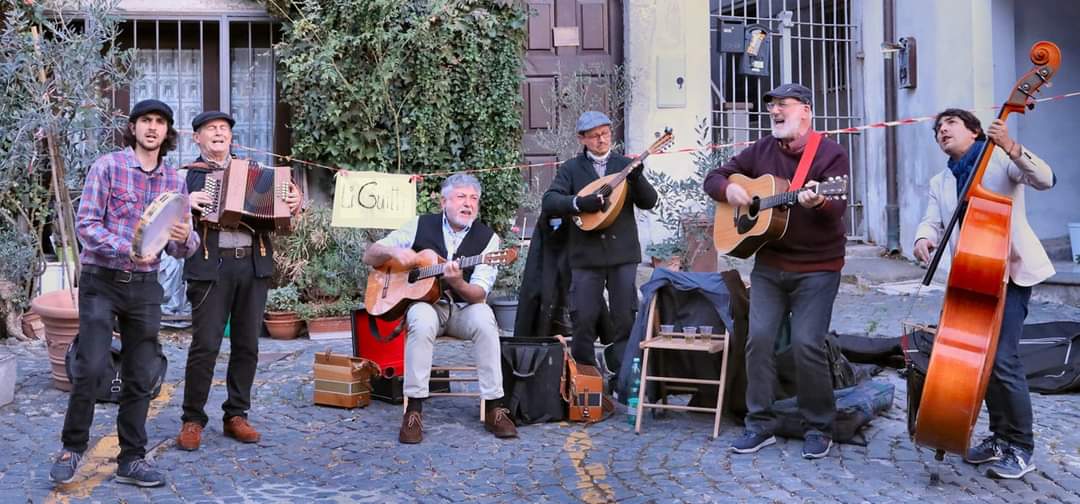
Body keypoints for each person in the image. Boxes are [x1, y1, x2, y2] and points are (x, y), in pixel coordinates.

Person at [50, 99, 199, 487]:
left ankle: (131, 460)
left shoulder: (175, 182)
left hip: (146, 287)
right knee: (91, 365)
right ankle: (72, 447)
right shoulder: (108, 166)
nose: (153, 127)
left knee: (141, 374)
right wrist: (128, 246)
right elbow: (86, 225)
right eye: (146, 121)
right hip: (102, 281)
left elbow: (179, 245)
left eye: (160, 122)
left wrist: (186, 238)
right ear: (133, 128)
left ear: (168, 132)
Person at [703, 83, 849, 459]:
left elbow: (837, 208)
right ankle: (760, 424)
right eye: (772, 106)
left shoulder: (831, 154)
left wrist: (817, 202)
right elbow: (714, 177)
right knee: (758, 340)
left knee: (806, 344)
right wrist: (731, 190)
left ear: (805, 110)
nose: (775, 111)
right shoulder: (762, 150)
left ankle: (819, 426)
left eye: (783, 105)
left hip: (818, 267)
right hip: (770, 265)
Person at [913, 108, 1055, 480]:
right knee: (979, 361)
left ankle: (1022, 447)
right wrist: (923, 237)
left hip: (1010, 273)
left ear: (975, 132)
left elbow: (1045, 179)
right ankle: (998, 437)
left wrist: (1010, 145)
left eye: (951, 124)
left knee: (1003, 360)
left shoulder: (999, 162)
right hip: (971, 277)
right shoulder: (941, 181)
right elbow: (932, 219)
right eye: (937, 129)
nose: (942, 131)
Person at [176, 111, 302, 451]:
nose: (218, 133)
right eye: (210, 129)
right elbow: (165, 213)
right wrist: (185, 203)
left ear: (231, 137)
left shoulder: (255, 171)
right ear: (196, 138)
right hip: (209, 267)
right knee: (205, 346)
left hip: (252, 266)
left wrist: (294, 199)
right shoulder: (186, 177)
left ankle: (236, 414)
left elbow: (288, 205)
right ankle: (192, 419)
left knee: (248, 344)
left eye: (224, 129)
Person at [362, 173, 518, 444]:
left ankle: (495, 406)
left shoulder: (488, 241)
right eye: (461, 197)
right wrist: (393, 253)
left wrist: (457, 281)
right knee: (420, 319)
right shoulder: (420, 225)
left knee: (485, 317)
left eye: (473, 199)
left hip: (463, 309)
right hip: (428, 307)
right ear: (444, 201)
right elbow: (370, 255)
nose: (468, 204)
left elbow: (479, 294)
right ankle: (414, 410)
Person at [541, 111, 658, 379]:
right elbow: (549, 202)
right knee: (582, 317)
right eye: (594, 136)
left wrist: (637, 178)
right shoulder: (571, 168)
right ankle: (585, 378)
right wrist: (579, 203)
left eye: (605, 133)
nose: (601, 139)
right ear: (582, 139)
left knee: (625, 316)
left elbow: (649, 201)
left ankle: (623, 374)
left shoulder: (624, 164)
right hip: (585, 256)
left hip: (622, 254)